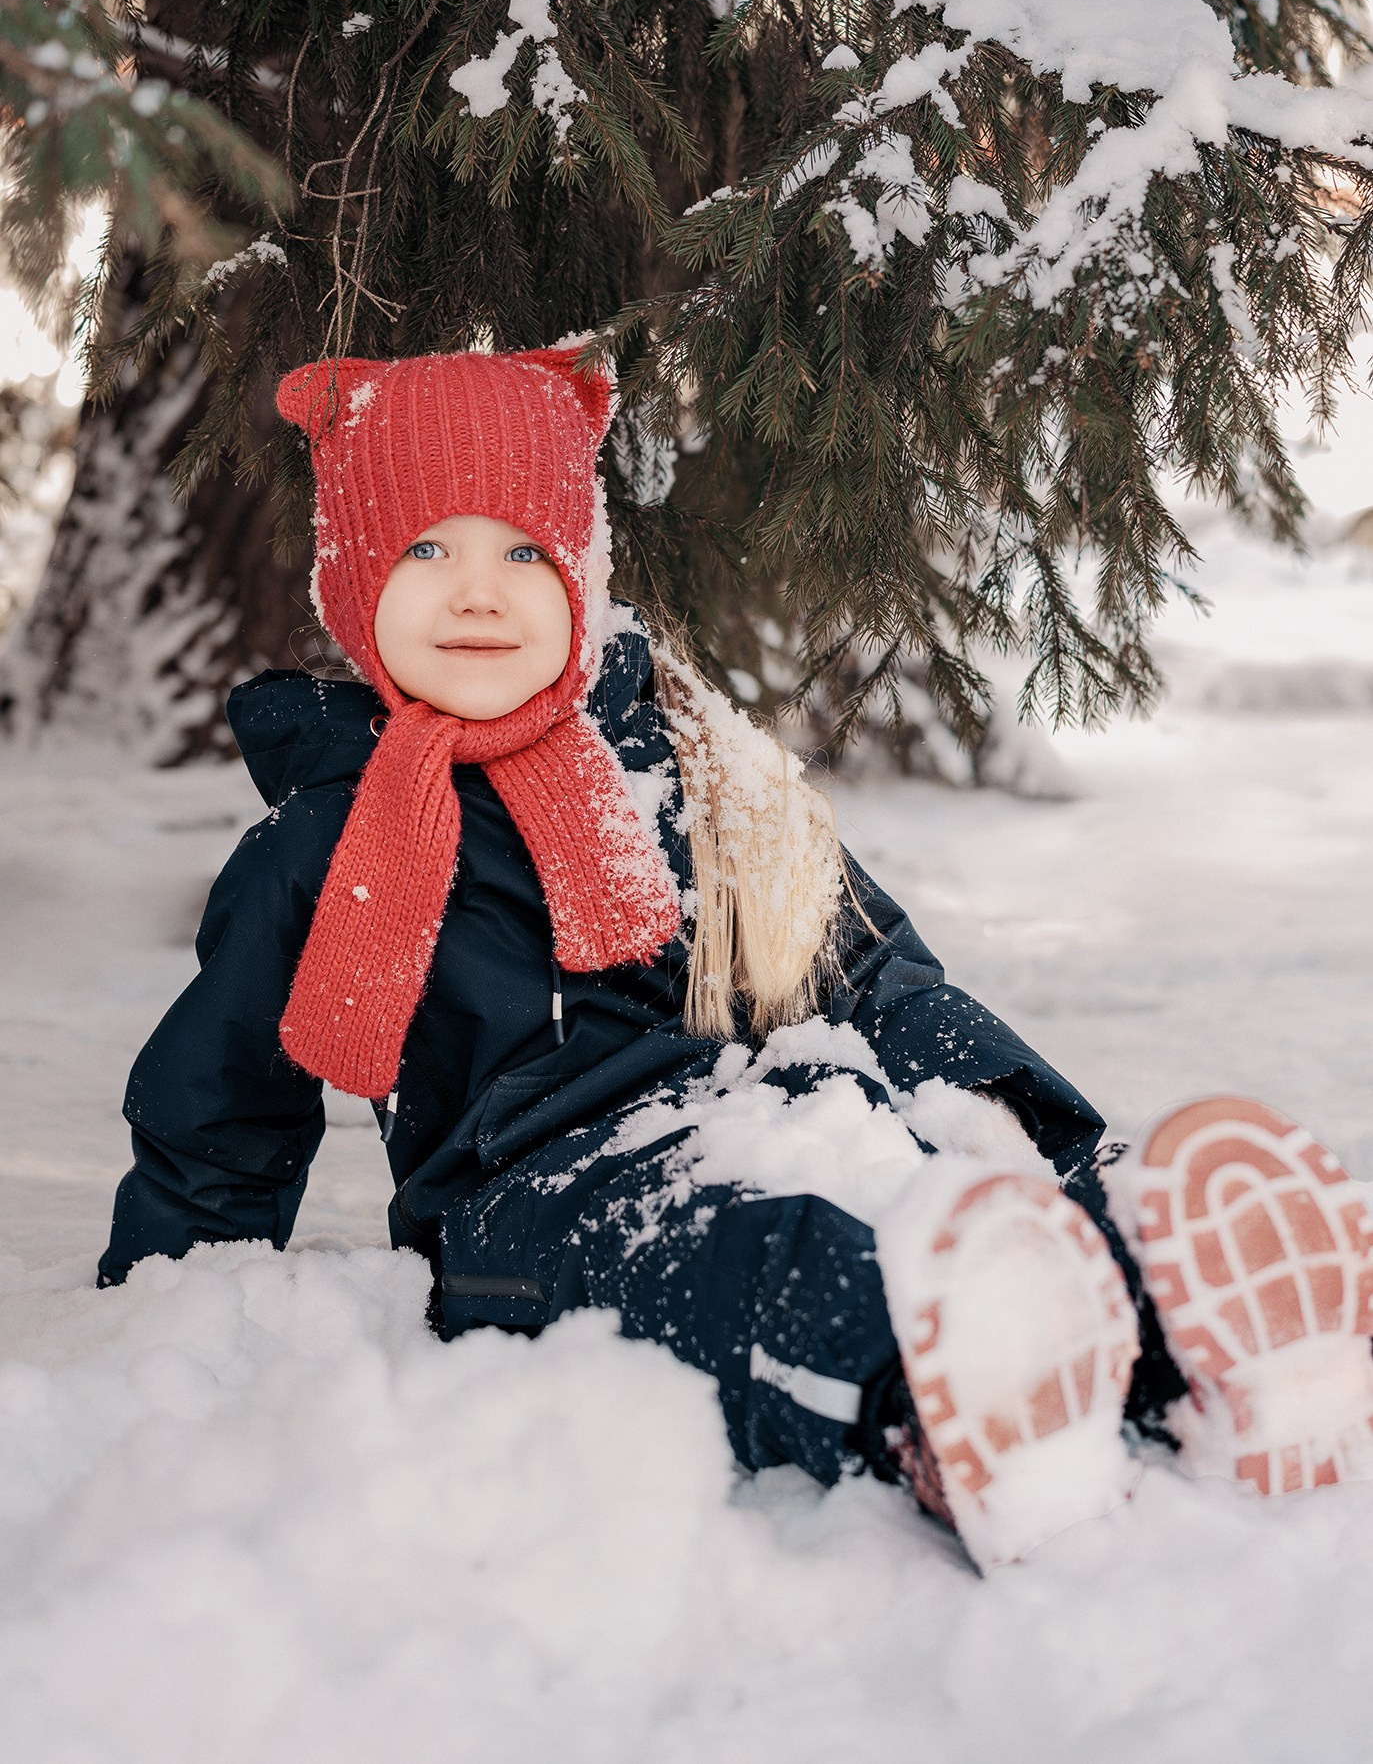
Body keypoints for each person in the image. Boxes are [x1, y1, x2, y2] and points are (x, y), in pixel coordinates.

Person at [98, 345, 1373, 1572]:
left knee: (930, 1201)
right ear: (353, 575)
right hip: (527, 1213)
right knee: (758, 1254)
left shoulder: (690, 766)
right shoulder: (326, 836)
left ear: (580, 576)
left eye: (522, 551)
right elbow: (220, 1099)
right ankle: (940, 1405)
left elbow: (867, 970)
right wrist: (169, 1308)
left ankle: (1179, 1319)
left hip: (760, 1111)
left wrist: (1020, 1126)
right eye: (425, 548)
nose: (475, 589)